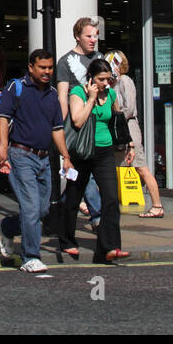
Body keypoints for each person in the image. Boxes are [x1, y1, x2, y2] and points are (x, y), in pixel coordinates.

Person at [0, 48, 71, 272]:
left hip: (44, 158)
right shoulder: (15, 88)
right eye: (42, 67)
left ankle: (8, 227)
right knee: (30, 208)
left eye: (50, 68)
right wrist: (2, 146)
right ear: (31, 67)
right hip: (20, 155)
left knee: (42, 210)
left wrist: (66, 157)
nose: (47, 72)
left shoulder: (52, 95)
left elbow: (57, 129)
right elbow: (3, 119)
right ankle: (30, 256)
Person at [57, 57, 128, 263]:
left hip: (105, 152)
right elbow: (77, 121)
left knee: (111, 199)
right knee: (73, 197)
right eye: (101, 79)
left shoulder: (112, 94)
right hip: (83, 151)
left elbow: (118, 121)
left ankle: (109, 247)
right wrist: (90, 98)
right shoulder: (78, 92)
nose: (105, 83)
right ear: (91, 78)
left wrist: (128, 145)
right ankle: (67, 240)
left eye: (108, 79)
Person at [104, 50, 163, 218]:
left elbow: (129, 108)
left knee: (140, 167)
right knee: (110, 167)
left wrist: (115, 114)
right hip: (117, 126)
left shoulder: (125, 81)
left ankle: (157, 205)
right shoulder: (113, 83)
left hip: (128, 127)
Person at [51, 17, 100, 221]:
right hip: (77, 123)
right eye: (88, 36)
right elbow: (62, 96)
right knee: (83, 170)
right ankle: (99, 217)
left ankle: (60, 210)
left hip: (97, 122)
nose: (93, 40)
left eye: (95, 36)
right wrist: (59, 125)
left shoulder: (99, 58)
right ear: (77, 37)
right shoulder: (66, 61)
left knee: (80, 177)